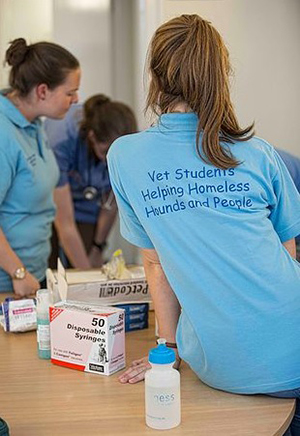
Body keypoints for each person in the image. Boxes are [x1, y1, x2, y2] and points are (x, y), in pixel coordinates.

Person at [107, 14, 300, 435]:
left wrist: (169, 348)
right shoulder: (260, 153)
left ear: (156, 78)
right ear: (221, 75)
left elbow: (156, 265)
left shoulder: (126, 156)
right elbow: (287, 254)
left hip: (223, 368)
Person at [0, 38, 80, 297]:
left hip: (34, 273)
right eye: (70, 93)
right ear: (42, 91)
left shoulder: (35, 124)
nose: (76, 99)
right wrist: (18, 272)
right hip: (9, 282)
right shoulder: (4, 134)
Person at [44, 95, 137, 269]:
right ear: (92, 137)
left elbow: (110, 205)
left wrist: (97, 247)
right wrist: (87, 277)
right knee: (54, 266)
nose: (109, 161)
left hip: (88, 210)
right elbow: (64, 222)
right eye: (105, 152)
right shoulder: (62, 137)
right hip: (51, 205)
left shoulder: (127, 149)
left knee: (90, 257)